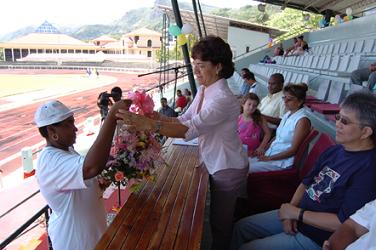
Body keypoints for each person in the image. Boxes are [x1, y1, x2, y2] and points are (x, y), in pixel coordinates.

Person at [117, 36, 248, 250]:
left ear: (218, 67)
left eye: (201, 66)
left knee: (220, 226)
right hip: (213, 161)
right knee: (215, 221)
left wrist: (147, 125)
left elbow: (188, 130)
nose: (196, 71)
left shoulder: (222, 98)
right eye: (194, 65)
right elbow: (182, 120)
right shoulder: (206, 90)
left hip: (227, 167)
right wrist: (152, 116)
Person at [230, 91, 376, 250]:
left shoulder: (368, 170)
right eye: (338, 117)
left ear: (366, 132)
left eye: (345, 121)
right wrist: (290, 211)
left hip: (315, 236)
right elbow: (306, 183)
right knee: (241, 227)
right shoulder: (335, 151)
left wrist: (296, 214)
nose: (337, 124)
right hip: (298, 213)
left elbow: (343, 223)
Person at [34, 99, 131, 250]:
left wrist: (99, 184)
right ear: (52, 131)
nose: (75, 129)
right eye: (68, 124)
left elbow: (84, 178)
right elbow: (90, 168)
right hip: (74, 242)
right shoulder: (50, 161)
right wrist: (111, 117)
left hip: (90, 237)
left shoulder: (66, 150)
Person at [248, 83, 311, 173]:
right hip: (271, 154)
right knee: (242, 163)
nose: (285, 101)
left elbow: (293, 150)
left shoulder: (302, 121)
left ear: (300, 101)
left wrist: (269, 158)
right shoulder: (288, 114)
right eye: (284, 97)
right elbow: (277, 137)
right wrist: (263, 149)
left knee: (244, 169)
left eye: (289, 99)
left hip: (281, 162)